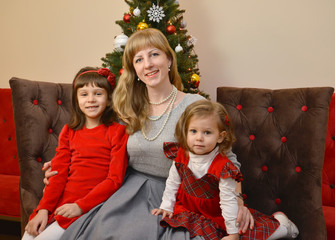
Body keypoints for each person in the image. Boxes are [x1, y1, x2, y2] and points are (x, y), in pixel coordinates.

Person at [43, 28, 253, 239]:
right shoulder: (124, 107)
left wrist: (237, 202)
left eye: (154, 54)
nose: (148, 64)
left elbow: (226, 158)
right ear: (134, 70)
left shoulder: (195, 105)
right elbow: (94, 145)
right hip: (129, 192)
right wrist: (62, 166)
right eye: (139, 59)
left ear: (169, 59)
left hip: (177, 195)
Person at [152, 99, 299, 240]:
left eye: (207, 132)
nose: (199, 138)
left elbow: (228, 202)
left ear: (220, 137)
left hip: (218, 213)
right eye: (193, 131)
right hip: (187, 208)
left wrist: (233, 234)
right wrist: (167, 206)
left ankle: (283, 227)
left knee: (246, 233)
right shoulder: (181, 154)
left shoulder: (223, 167)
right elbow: (172, 182)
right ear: (185, 132)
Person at [21, 67, 129, 240]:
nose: (91, 99)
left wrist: (80, 206)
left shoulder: (118, 132)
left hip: (90, 205)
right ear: (76, 99)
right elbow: (58, 173)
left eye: (98, 93)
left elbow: (114, 180)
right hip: (61, 201)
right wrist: (43, 209)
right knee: (29, 235)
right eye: (84, 94)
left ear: (109, 100)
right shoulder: (69, 131)